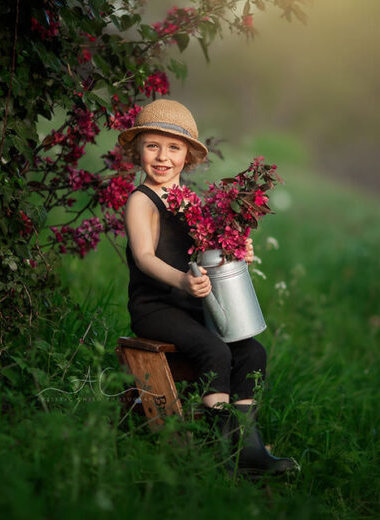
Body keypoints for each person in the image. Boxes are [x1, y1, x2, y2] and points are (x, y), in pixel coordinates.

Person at [119, 99, 299, 476]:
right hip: (156, 307)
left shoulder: (190, 202)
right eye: (152, 146)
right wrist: (182, 280)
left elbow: (209, 250)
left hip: (191, 306)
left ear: (187, 156)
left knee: (252, 352)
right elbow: (144, 257)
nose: (163, 157)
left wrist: (238, 251)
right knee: (215, 350)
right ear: (138, 151)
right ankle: (220, 450)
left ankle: (247, 449)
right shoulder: (141, 201)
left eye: (174, 148)